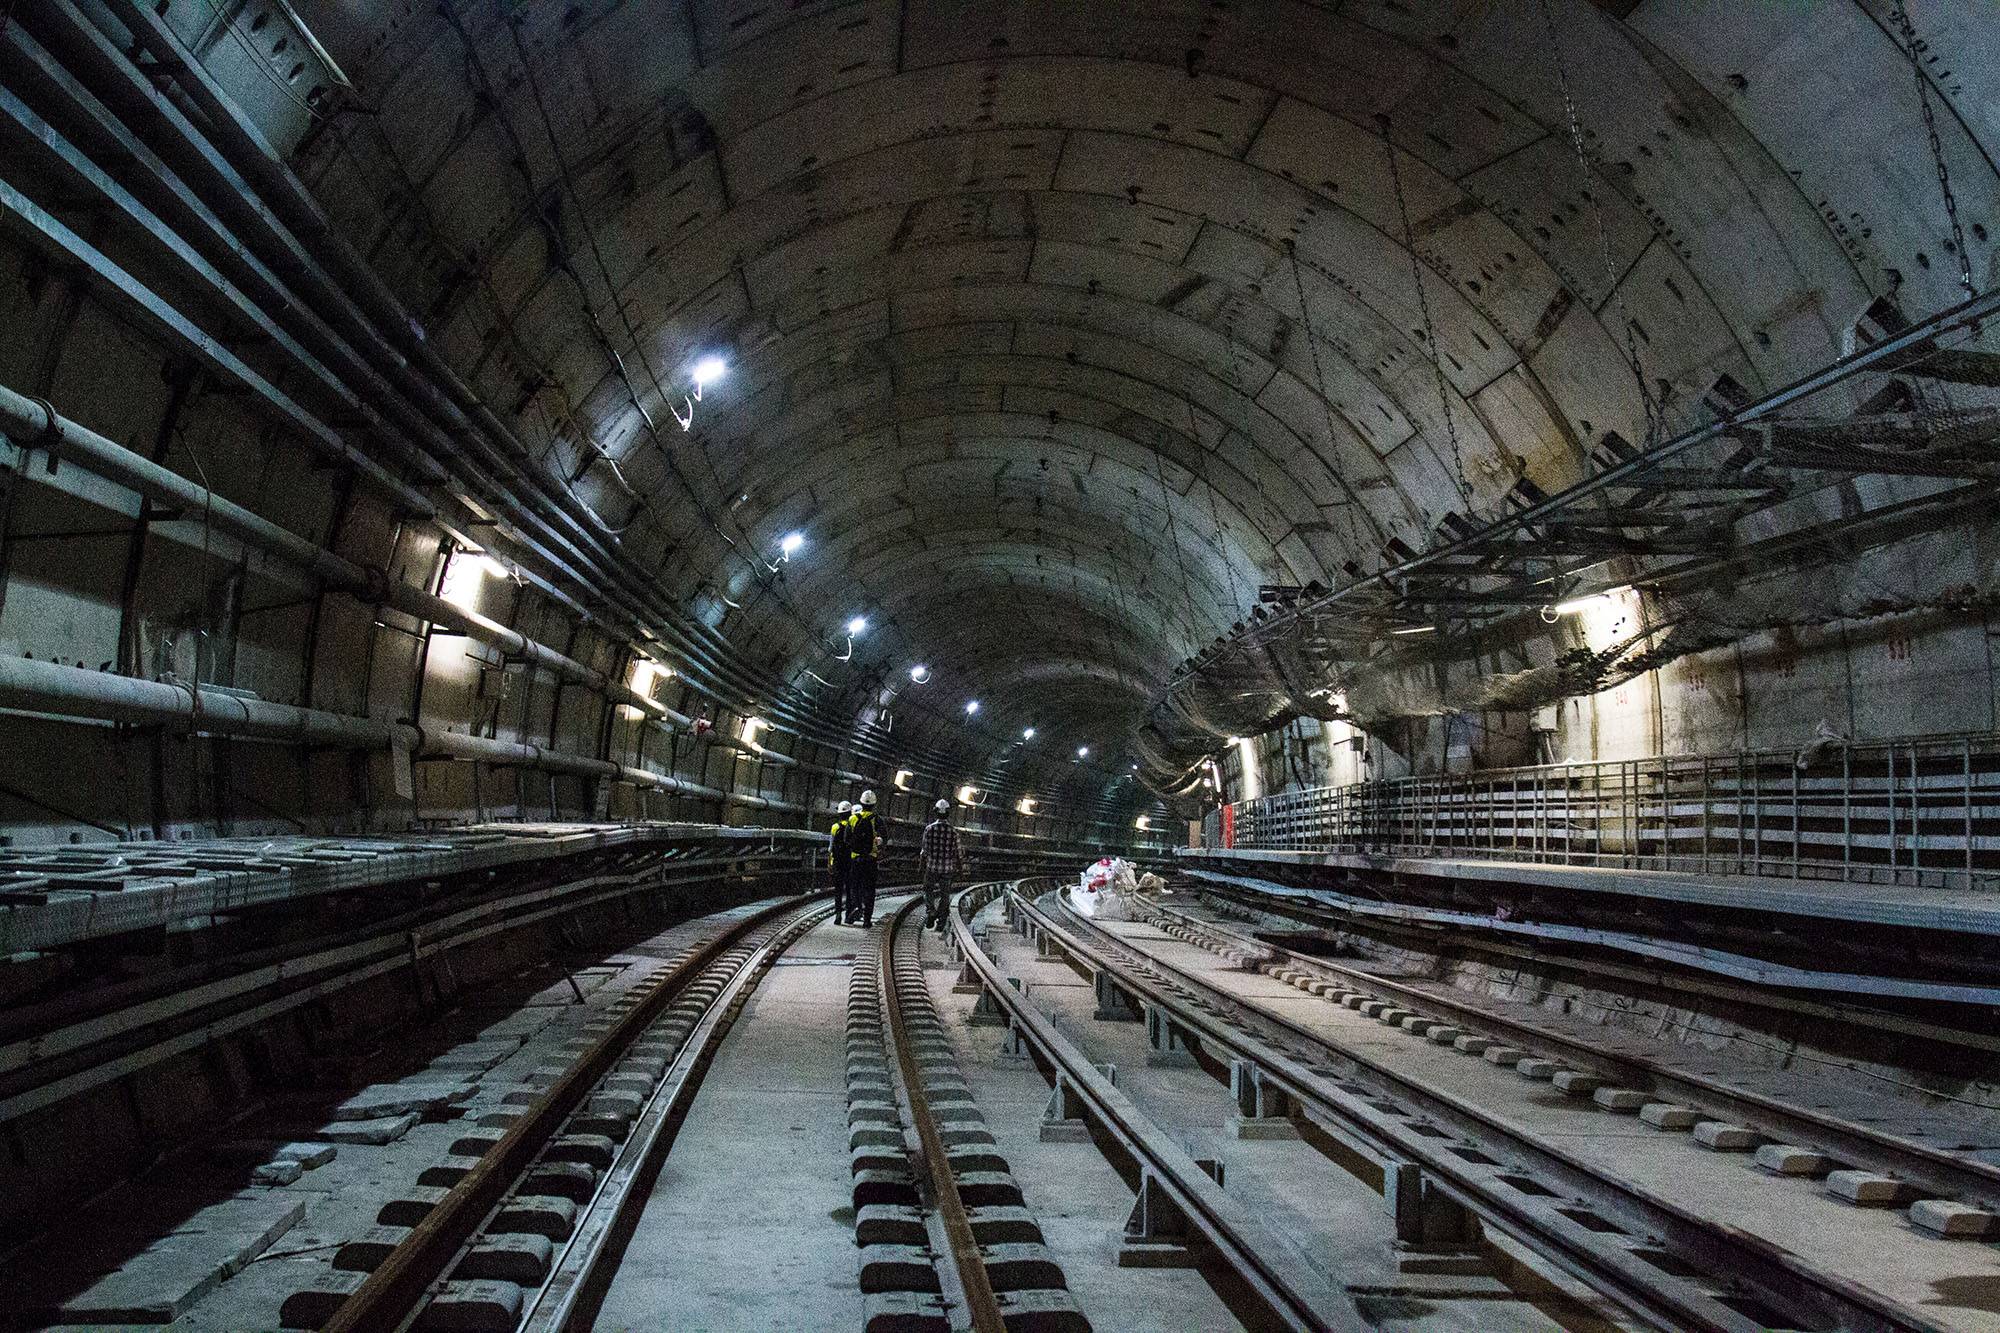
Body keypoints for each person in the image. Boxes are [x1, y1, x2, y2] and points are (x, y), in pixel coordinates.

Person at [920, 798, 966, 933]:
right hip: (947, 869)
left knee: (927, 890)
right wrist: (961, 870)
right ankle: (941, 919)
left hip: (932, 867)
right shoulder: (953, 831)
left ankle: (931, 911)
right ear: (948, 813)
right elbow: (958, 853)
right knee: (945, 895)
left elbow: (924, 851)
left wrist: (920, 867)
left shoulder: (929, 829)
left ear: (935, 812)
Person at [847, 791, 882, 928]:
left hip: (855, 859)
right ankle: (867, 919)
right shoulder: (877, 819)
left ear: (861, 803)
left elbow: (847, 839)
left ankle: (857, 907)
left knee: (854, 886)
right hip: (870, 859)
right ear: (874, 804)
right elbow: (884, 836)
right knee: (869, 889)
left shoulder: (853, 819)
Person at [827, 799, 853, 923]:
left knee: (838, 890)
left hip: (837, 862)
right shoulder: (853, 825)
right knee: (849, 889)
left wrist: (829, 863)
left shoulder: (835, 827)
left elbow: (831, 848)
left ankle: (838, 915)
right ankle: (848, 914)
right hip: (850, 863)